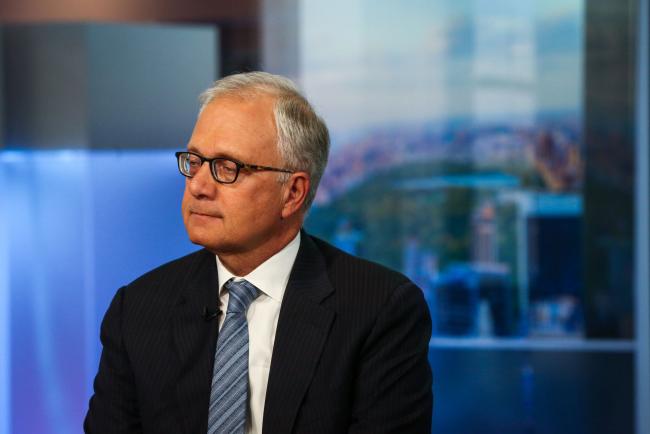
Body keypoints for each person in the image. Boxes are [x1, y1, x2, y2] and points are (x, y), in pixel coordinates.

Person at [84, 71, 433, 434]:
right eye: (194, 161)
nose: (199, 186)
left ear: (293, 193)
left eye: (226, 168)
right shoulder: (139, 309)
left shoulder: (379, 310)